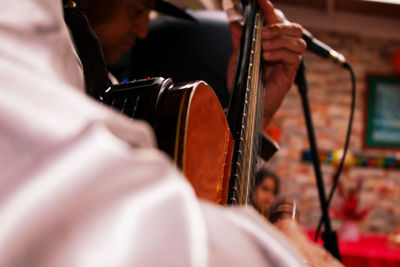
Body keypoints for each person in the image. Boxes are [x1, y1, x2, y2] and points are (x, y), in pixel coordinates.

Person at [0, 0, 344, 266]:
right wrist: (279, 247)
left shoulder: (118, 94)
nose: (142, 30)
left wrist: (258, 109)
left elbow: (194, 188)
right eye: (137, 9)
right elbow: (104, 225)